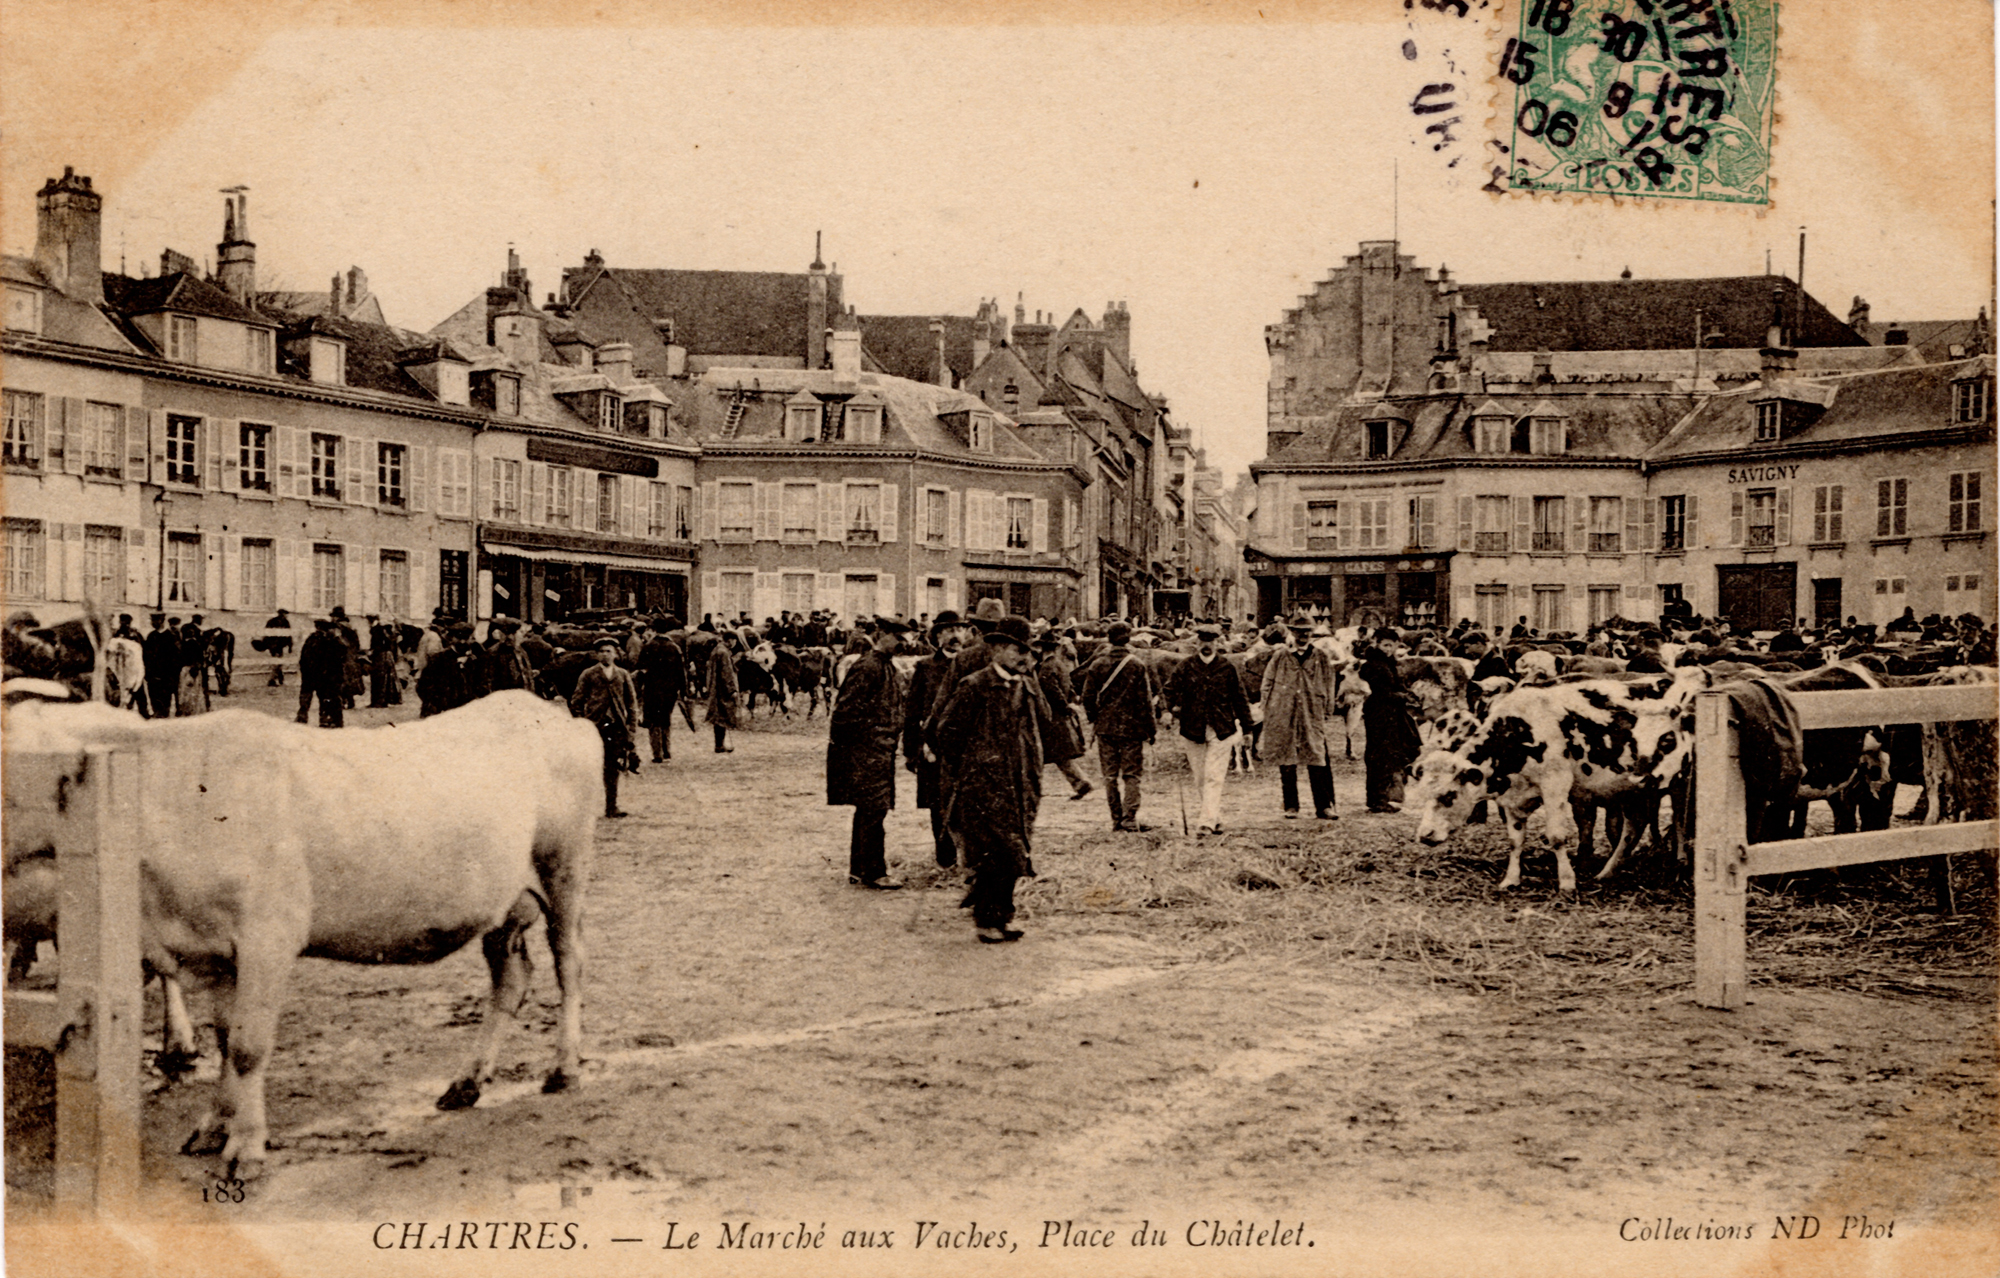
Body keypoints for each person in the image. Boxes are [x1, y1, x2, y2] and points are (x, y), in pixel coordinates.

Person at [930, 616, 1058, 943]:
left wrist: (1034, 683)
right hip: (984, 787)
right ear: (997, 648)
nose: (1024, 657)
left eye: (1029, 652)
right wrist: (975, 768)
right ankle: (986, 919)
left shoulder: (1027, 685)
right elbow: (947, 735)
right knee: (990, 855)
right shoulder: (974, 686)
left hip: (1022, 784)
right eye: (1018, 650)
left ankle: (1004, 915)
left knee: (1016, 852)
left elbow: (1044, 722)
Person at [828, 616, 908, 890]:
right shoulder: (869, 667)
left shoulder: (885, 666)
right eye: (897, 638)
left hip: (879, 751)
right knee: (874, 810)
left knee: (871, 811)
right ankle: (874, 872)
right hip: (868, 753)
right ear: (882, 633)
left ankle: (859, 868)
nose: (902, 645)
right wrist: (862, 747)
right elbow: (843, 715)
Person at [1161, 621, 1252, 836]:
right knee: (1200, 778)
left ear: (1218, 643)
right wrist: (1165, 711)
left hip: (1222, 728)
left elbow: (1240, 698)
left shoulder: (1227, 667)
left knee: (1214, 776)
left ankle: (1206, 823)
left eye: (1211, 641)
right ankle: (1215, 817)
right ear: (1196, 642)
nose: (1206, 645)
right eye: (1203, 641)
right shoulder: (1185, 666)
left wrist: (1247, 729)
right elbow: (1169, 690)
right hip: (1193, 729)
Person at [1077, 621, 1157, 831]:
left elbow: (1087, 697)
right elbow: (1146, 701)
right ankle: (1129, 818)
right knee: (1131, 774)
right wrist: (1151, 729)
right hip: (1132, 728)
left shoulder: (1097, 664)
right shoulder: (1137, 664)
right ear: (1128, 638)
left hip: (1106, 728)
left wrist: (1095, 718)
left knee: (1110, 776)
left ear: (1109, 639)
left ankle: (1116, 818)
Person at [905, 611, 966, 867]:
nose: (954, 635)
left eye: (959, 629)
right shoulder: (926, 667)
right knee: (937, 805)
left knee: (966, 802)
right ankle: (945, 860)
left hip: (965, 746)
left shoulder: (972, 663)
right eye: (947, 630)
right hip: (934, 747)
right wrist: (910, 750)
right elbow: (912, 709)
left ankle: (968, 858)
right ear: (937, 636)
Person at [1260, 622, 1339, 820]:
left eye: (1307, 631)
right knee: (1286, 757)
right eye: (1299, 631)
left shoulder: (1321, 657)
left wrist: (1327, 708)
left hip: (1311, 711)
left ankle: (1324, 806)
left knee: (1317, 756)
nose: (1303, 635)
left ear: (1312, 633)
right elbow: (1267, 682)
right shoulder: (1281, 656)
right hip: (1284, 710)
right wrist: (1269, 708)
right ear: (1292, 633)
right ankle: (1291, 805)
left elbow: (1329, 684)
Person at [569, 637, 639, 818]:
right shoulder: (589, 674)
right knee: (590, 766)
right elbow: (576, 701)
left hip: (616, 726)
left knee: (613, 767)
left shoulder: (622, 675)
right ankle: (585, 808)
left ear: (615, 654)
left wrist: (631, 728)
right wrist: (582, 723)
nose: (605, 655)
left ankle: (611, 806)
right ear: (596, 654)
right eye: (601, 651)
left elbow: (631, 703)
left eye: (608, 651)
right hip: (595, 727)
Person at [1359, 630, 1423, 813]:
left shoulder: (1389, 663)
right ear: (1376, 644)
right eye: (1385, 645)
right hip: (1379, 714)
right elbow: (1381, 693)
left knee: (1391, 753)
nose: (1388, 649)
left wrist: (1409, 693)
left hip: (1392, 714)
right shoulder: (1373, 665)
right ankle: (1377, 799)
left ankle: (1385, 796)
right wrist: (1403, 696)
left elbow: (1396, 685)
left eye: (1392, 645)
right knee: (1379, 755)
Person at [1034, 632, 1094, 802]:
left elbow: (1052, 691)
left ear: (1041, 648)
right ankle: (1080, 782)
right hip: (1060, 717)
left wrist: (1064, 706)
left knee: (1038, 753)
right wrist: (1070, 702)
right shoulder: (1060, 665)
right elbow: (1069, 687)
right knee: (1060, 755)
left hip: (1050, 717)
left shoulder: (1046, 667)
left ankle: (1031, 787)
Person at [637, 619, 687, 762]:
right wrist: (683, 691)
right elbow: (681, 672)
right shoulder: (674, 648)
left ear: (654, 630)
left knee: (653, 720)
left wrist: (639, 689)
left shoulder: (648, 647)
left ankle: (656, 753)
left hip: (652, 689)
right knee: (666, 718)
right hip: (670, 690)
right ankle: (667, 750)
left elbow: (640, 670)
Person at [297, 616, 349, 728]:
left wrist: (305, 670)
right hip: (322, 674)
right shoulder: (329, 641)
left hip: (310, 672)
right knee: (325, 697)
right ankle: (325, 719)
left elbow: (303, 657)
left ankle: (303, 715)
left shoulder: (312, 638)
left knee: (307, 694)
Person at [416, 626, 469, 717]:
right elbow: (423, 685)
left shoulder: (471, 659)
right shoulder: (439, 658)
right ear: (451, 639)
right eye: (459, 639)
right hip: (441, 707)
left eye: (465, 639)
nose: (462, 642)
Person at [705, 629, 741, 753]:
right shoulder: (724, 653)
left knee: (718, 716)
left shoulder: (716, 650)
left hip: (716, 687)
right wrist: (732, 690)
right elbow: (727, 673)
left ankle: (719, 744)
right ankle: (719, 745)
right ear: (730, 640)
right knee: (723, 715)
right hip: (723, 689)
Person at [141, 611, 182, 719]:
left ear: (162, 621)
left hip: (166, 677)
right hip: (152, 676)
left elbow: (176, 658)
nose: (153, 623)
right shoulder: (151, 636)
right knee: (154, 699)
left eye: (155, 620)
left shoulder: (171, 637)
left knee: (164, 702)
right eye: (152, 620)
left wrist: (171, 676)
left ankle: (163, 719)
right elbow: (145, 656)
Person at [369, 616, 403, 707]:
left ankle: (379, 701)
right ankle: (386, 700)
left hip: (380, 656)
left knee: (379, 678)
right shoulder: (390, 634)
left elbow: (375, 645)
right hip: (388, 656)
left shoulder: (377, 630)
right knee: (387, 678)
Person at [261, 608, 294, 686]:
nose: (286, 616)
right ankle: (272, 680)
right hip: (275, 645)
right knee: (277, 662)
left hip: (276, 645)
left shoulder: (280, 622)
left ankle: (280, 679)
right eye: (285, 614)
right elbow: (267, 633)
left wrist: (290, 646)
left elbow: (289, 634)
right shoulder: (278, 622)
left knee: (278, 662)